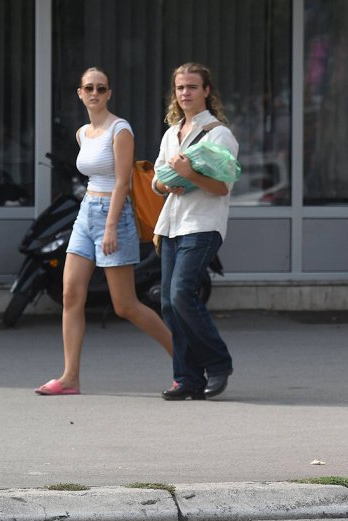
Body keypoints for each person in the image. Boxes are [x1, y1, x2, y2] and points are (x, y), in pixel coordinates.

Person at [35, 67, 173, 396]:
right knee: (71, 294)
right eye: (89, 88)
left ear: (109, 93)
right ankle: (70, 378)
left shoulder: (120, 129)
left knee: (125, 305)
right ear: (80, 93)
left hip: (115, 216)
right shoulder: (83, 133)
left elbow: (123, 182)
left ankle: (186, 359)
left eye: (101, 88)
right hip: (86, 214)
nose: (94, 93)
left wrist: (110, 227)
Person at [151, 62, 238, 401]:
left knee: (182, 294)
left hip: (202, 224)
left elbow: (222, 188)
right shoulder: (171, 134)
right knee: (169, 304)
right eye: (180, 88)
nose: (185, 93)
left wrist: (189, 175)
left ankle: (218, 364)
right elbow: (157, 181)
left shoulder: (219, 135)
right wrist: (167, 183)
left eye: (192, 87)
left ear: (206, 91)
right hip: (171, 225)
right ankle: (187, 379)